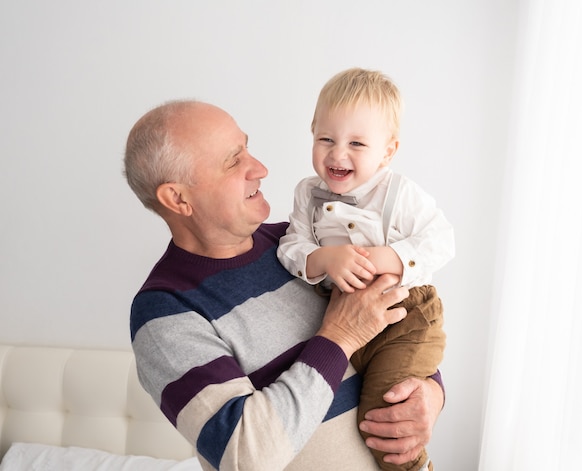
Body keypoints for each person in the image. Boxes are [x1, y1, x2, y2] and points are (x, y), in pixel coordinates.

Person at [124, 99, 445, 471]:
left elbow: (398, 322)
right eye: (233, 160)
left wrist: (430, 394)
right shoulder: (166, 310)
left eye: (247, 148)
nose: (260, 168)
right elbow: (246, 454)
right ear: (178, 198)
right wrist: (340, 336)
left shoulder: (302, 247)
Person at [278, 68, 454, 470]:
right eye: (326, 139)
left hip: (404, 319)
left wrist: (389, 258)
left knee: (383, 418)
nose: (338, 154)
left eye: (357, 143)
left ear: (387, 151)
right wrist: (322, 259)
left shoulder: (399, 193)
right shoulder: (308, 194)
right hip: (346, 321)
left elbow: (441, 239)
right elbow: (291, 245)